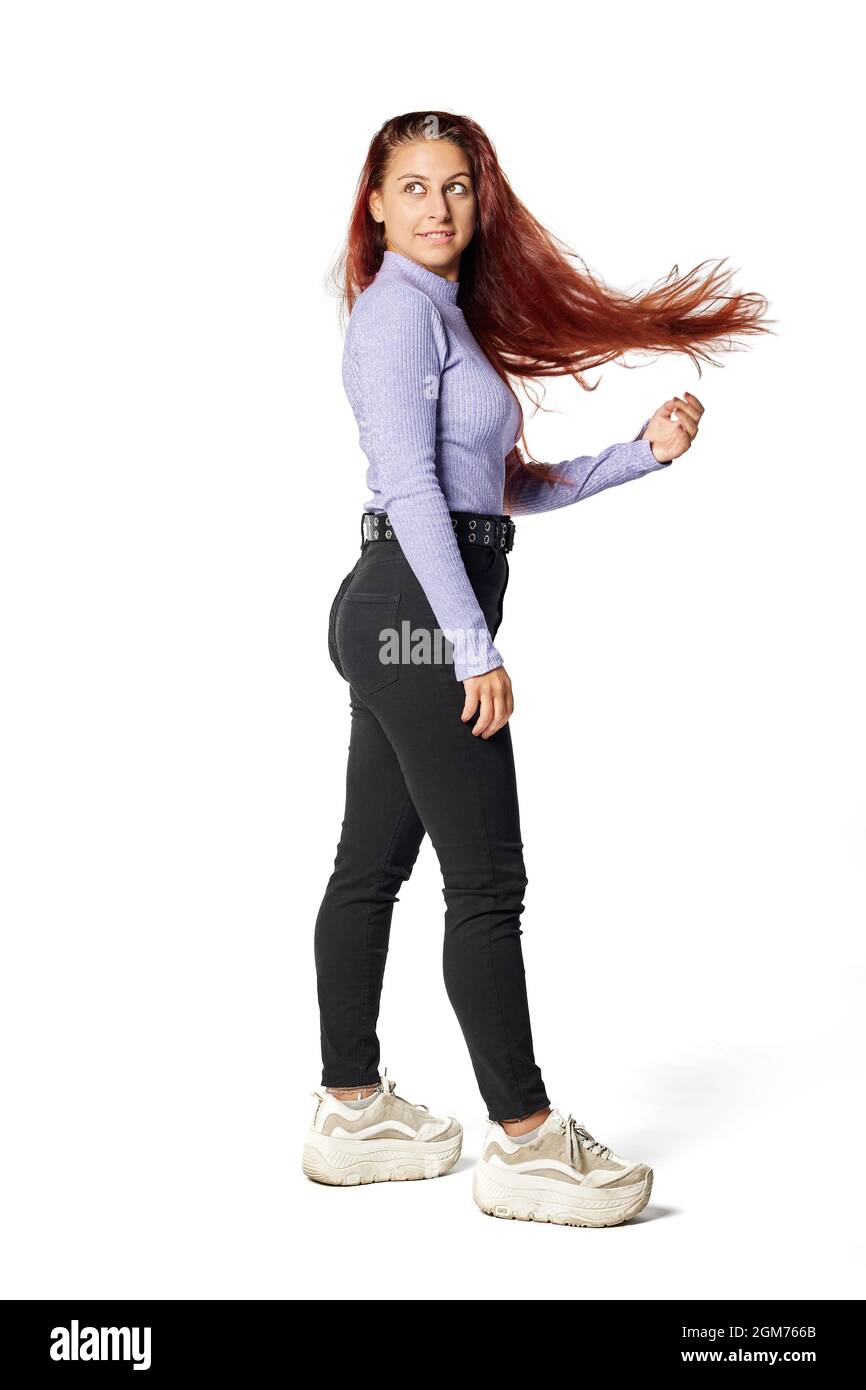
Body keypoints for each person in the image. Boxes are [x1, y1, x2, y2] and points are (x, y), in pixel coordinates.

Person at [302, 110, 770, 1227]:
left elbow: (497, 488)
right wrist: (470, 644)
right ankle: (523, 1140)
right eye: (411, 186)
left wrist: (633, 456)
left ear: (480, 200)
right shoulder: (390, 318)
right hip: (416, 612)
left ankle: (351, 1107)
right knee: (488, 880)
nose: (435, 206)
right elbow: (411, 492)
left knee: (371, 863)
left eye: (455, 186)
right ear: (373, 203)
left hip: (406, 606)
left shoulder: (445, 324)